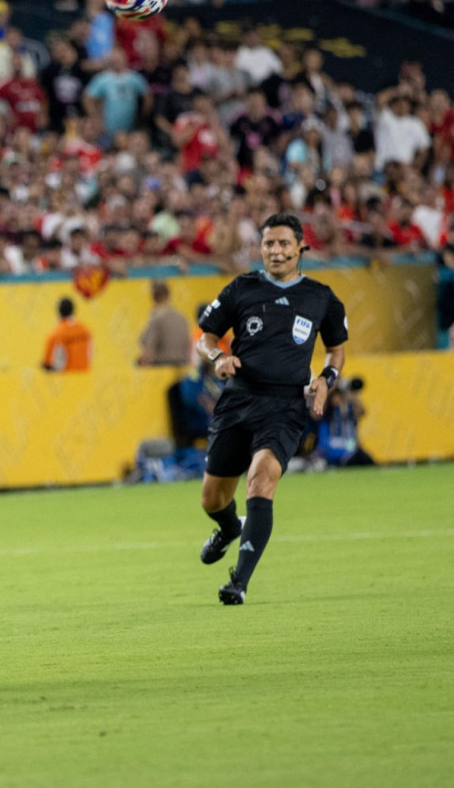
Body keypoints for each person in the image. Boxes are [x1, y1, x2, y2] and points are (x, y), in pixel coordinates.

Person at [194, 213, 348, 605]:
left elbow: (336, 348)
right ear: (260, 248)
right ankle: (229, 529)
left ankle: (238, 582)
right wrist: (217, 357)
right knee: (212, 499)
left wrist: (325, 380)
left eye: (283, 244)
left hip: (285, 406)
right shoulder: (242, 288)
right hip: (239, 399)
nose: (275, 251)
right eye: (268, 244)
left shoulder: (321, 297)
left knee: (261, 480)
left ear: (300, 248)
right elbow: (206, 337)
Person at [138, 281, 192, 367]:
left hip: (161, 368)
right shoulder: (182, 318)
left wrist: (140, 365)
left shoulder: (157, 318)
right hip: (182, 367)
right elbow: (189, 348)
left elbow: (147, 351)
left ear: (154, 298)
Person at [41, 297, 92, 373]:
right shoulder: (85, 330)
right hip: (84, 377)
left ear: (59, 311)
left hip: (66, 379)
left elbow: (49, 362)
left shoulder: (56, 333)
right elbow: (90, 354)